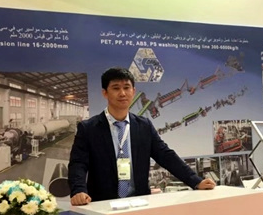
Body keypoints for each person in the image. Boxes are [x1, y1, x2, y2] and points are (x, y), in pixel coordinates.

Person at [68, 68, 216, 205]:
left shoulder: (144, 126)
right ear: (105, 93)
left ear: (133, 91)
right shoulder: (89, 128)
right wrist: (78, 190)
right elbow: (78, 163)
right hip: (103, 205)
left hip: (139, 202)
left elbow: (166, 156)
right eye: (116, 88)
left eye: (126, 87)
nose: (122, 93)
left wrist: (196, 181)